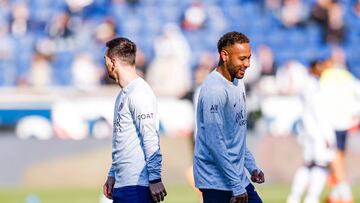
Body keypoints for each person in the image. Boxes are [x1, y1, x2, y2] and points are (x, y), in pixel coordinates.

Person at [193, 31, 265, 203]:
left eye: (249, 58)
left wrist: (251, 166)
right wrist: (236, 185)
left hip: (236, 177)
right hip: (217, 182)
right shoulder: (214, 89)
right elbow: (215, 142)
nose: (247, 64)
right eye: (242, 58)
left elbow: (235, 136)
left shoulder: (238, 82)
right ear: (224, 55)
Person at [102, 37, 166, 203]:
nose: (105, 65)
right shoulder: (123, 94)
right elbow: (123, 140)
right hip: (123, 184)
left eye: (106, 60)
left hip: (138, 185)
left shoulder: (140, 93)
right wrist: (112, 174)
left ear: (113, 61)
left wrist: (154, 179)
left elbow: (150, 137)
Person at [286, 60, 336, 203]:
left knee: (307, 164)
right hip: (318, 132)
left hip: (306, 130)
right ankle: (312, 198)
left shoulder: (306, 85)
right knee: (321, 165)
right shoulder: (315, 86)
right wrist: (328, 135)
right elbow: (319, 112)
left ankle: (294, 197)